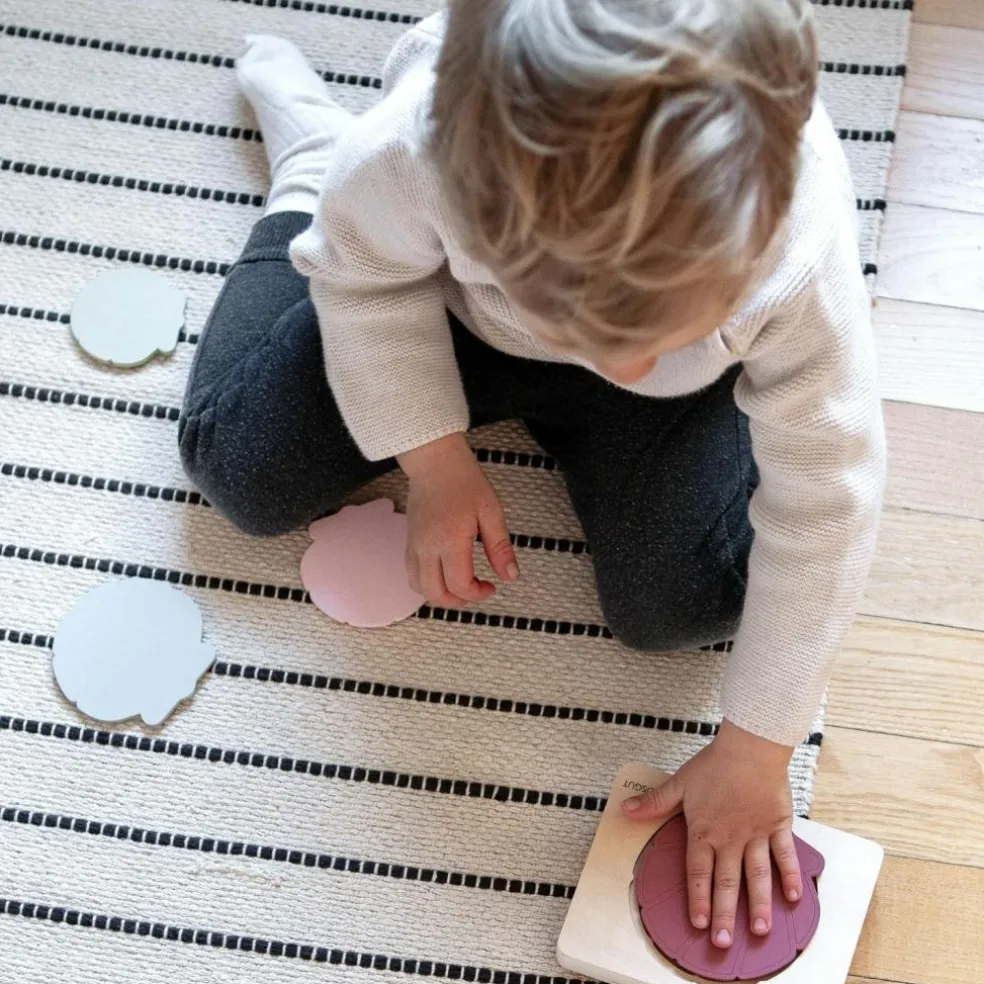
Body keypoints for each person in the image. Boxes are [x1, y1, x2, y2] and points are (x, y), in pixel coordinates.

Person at [178, 0, 885, 951]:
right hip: (446, 314)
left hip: (685, 401)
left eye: (656, 329)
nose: (622, 359)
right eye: (586, 326)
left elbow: (830, 494)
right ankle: (307, 172)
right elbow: (364, 280)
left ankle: (626, 354)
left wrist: (759, 743)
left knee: (684, 607)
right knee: (238, 469)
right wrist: (431, 457)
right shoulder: (420, 145)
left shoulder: (796, 247)